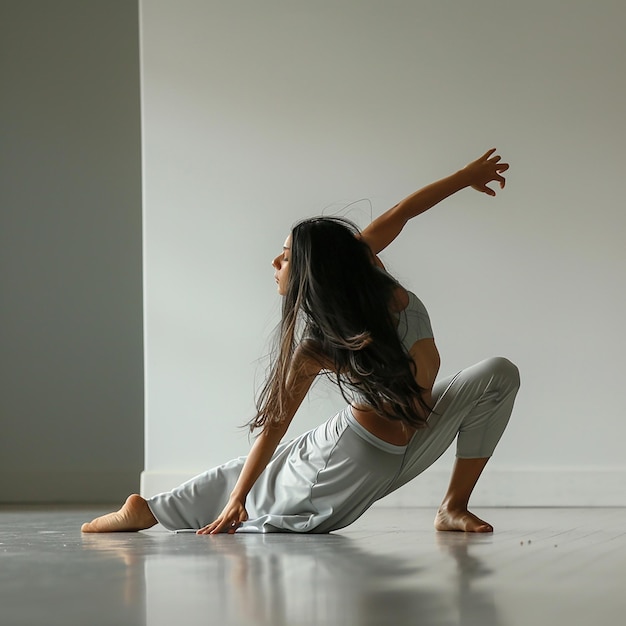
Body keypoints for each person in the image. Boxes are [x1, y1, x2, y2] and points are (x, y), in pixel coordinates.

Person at [82, 148, 519, 535]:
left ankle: (453, 507)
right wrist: (237, 500)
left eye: (287, 255)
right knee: (264, 485)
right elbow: (274, 427)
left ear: (320, 269)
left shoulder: (365, 265)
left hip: (410, 438)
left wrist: (464, 177)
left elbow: (403, 211)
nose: (275, 261)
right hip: (353, 460)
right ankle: (148, 510)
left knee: (499, 374)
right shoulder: (317, 348)